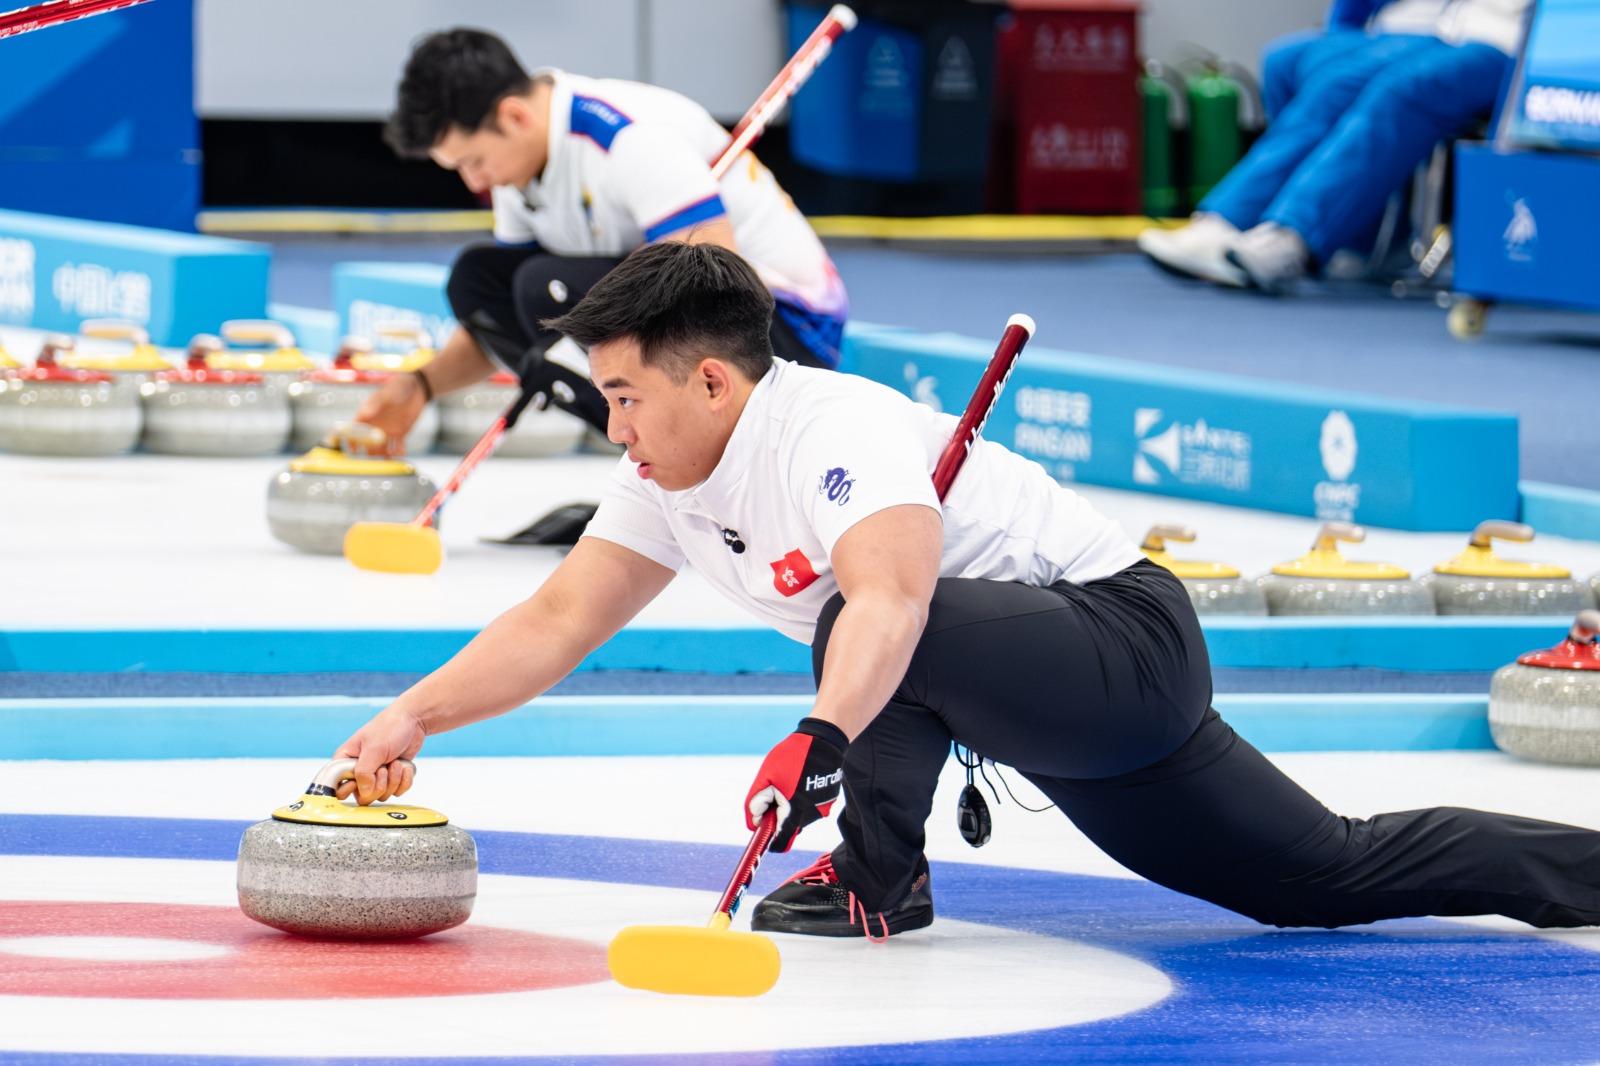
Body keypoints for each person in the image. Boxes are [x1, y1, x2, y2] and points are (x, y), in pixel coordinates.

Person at [332, 241, 1600, 942]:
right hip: (1034, 706)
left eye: (624, 396)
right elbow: (559, 618)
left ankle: (880, 875)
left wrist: (821, 739)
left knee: (859, 619)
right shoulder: (664, 476)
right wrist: (414, 718)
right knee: (1320, 877)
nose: (612, 426)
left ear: (713, 382)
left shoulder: (832, 431)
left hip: (1123, 641)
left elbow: (887, 603)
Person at [353, 29, 848, 540]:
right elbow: (504, 320)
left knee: (544, 288)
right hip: (688, 319)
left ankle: (723, 484)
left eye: (473, 162)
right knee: (479, 282)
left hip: (779, 329)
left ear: (513, 117)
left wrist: (581, 342)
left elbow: (717, 280)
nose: (475, 182)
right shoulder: (519, 170)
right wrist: (422, 385)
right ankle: (673, 486)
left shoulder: (626, 137)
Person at [1139, 0, 1530, 293]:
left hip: (1515, 45)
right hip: (1447, 29)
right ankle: (1230, 220)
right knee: (1325, 78)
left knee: (1400, 89)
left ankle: (1292, 238)